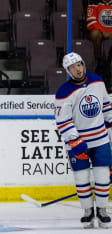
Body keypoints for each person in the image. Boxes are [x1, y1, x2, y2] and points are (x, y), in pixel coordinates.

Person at [55, 52, 112, 228]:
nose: (77, 69)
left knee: (102, 177)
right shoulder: (63, 92)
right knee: (81, 178)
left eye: (79, 64)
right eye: (72, 67)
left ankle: (102, 211)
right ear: (68, 71)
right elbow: (62, 121)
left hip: (100, 140)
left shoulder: (97, 81)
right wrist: (75, 141)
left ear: (83, 64)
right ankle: (88, 211)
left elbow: (106, 109)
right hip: (78, 143)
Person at [87, 0, 112, 78]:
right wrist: (103, 30)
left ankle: (109, 62)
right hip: (100, 31)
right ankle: (99, 61)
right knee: (94, 34)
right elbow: (91, 20)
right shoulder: (94, 2)